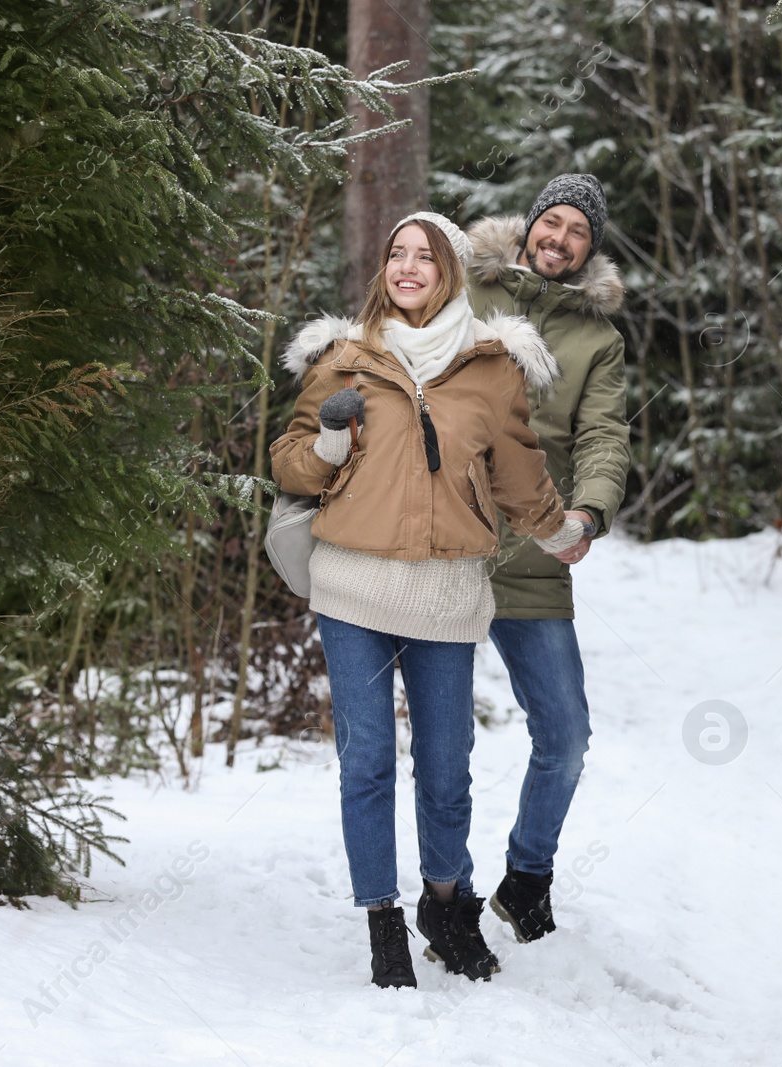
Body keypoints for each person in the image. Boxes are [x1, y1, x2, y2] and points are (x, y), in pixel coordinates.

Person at [270, 212, 586, 989]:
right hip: (351, 587)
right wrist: (329, 445)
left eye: (426, 256)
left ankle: (445, 904)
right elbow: (289, 465)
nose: (409, 267)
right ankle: (383, 921)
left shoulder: (490, 366)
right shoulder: (342, 358)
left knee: (447, 767)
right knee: (369, 759)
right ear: (384, 269)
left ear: (450, 271)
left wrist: (557, 530)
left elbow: (518, 473)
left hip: (446, 596)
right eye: (397, 255)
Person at [464, 175, 631, 944]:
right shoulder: (467, 289)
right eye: (552, 222)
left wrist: (589, 509)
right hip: (447, 542)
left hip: (533, 549)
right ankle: (445, 890)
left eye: (577, 232)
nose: (559, 238)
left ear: (589, 250)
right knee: (441, 737)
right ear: (530, 225)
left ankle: (528, 877)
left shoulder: (597, 340)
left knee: (564, 736)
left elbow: (603, 436)